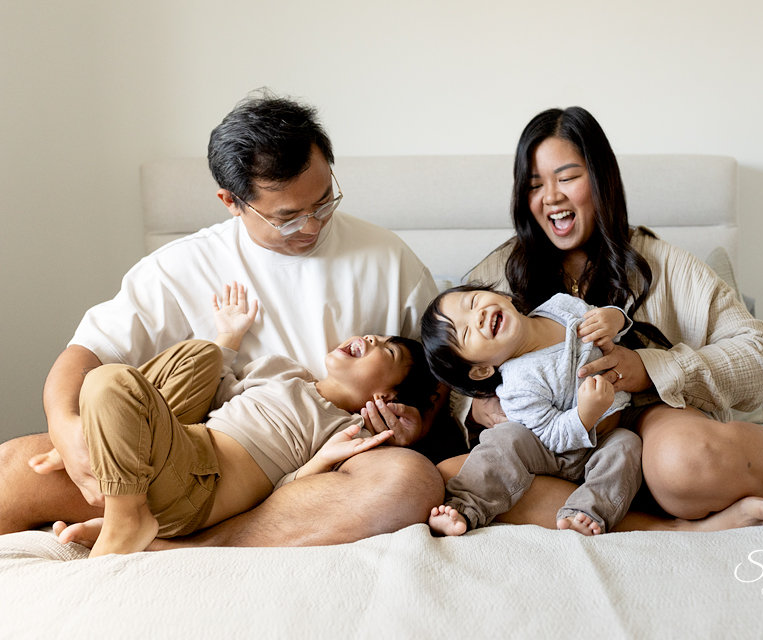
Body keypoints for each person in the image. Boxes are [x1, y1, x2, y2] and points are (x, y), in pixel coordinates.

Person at [431, 106, 763, 530]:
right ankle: (680, 531)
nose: (551, 197)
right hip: (552, 443)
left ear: (602, 179)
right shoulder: (496, 277)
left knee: (686, 465)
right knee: (468, 473)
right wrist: (479, 411)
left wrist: (651, 370)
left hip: (642, 423)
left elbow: (761, 360)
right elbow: (447, 365)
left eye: (568, 176)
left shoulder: (663, 264)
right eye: (533, 184)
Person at [0, 92, 448, 545]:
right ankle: (147, 518)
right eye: (288, 217)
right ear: (231, 201)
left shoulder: (387, 257)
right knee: (14, 469)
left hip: (325, 468)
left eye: (324, 201)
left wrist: (416, 427)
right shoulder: (179, 266)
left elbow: (444, 377)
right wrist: (68, 427)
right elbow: (87, 354)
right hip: (191, 456)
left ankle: (189, 543)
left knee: (409, 481)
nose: (313, 226)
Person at [32, 283, 437, 556]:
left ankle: (126, 519)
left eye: (387, 350)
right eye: (372, 335)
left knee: (109, 381)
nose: (369, 339)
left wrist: (329, 458)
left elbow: (292, 495)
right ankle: (95, 437)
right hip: (177, 442)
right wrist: (227, 337)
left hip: (197, 484)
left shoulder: (343, 430)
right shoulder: (282, 369)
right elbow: (209, 389)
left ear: (385, 396)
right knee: (201, 355)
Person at [422, 285, 646, 536]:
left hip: (606, 437)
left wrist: (614, 319)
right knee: (505, 439)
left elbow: (609, 328)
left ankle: (588, 512)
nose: (479, 316)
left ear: (504, 297)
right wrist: (586, 414)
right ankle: (465, 506)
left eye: (473, 302)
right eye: (466, 332)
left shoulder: (561, 306)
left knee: (627, 444)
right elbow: (551, 436)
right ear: (482, 370)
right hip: (552, 452)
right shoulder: (517, 385)